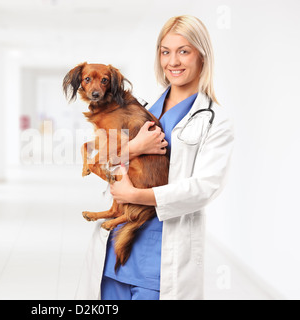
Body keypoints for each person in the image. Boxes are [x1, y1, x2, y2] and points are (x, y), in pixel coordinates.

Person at [75, 15, 234, 300]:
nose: (173, 61)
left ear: (202, 56)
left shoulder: (215, 121)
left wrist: (135, 195)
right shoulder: (142, 109)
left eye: (184, 51)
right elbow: (109, 160)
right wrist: (134, 148)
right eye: (165, 51)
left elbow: (204, 188)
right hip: (114, 252)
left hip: (160, 261)